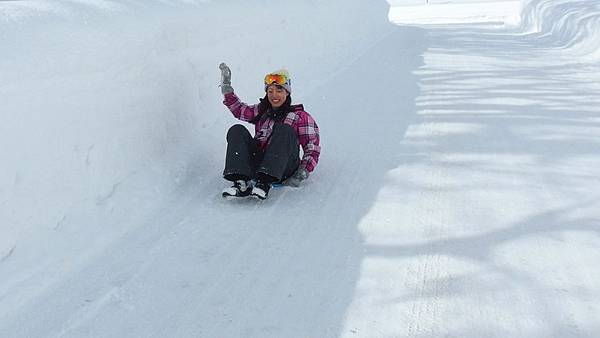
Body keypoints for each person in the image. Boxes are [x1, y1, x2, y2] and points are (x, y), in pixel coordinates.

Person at [218, 63, 320, 200]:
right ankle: (240, 181)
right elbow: (240, 110)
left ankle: (264, 183)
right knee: (237, 130)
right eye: (270, 91)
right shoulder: (263, 111)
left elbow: (312, 146)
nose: (274, 95)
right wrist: (226, 89)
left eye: (279, 90)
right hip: (259, 164)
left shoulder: (300, 116)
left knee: (283, 130)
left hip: (284, 168)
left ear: (287, 92)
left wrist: (303, 171)